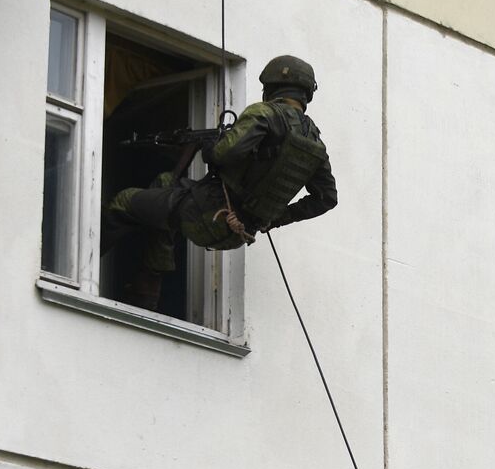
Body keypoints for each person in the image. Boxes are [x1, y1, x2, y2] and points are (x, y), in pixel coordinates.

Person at [101, 55, 338, 310]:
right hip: (236, 232)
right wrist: (274, 218)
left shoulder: (265, 113)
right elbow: (326, 198)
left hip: (208, 213)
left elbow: (224, 154)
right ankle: (146, 290)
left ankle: (86, 265)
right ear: (306, 94)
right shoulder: (316, 144)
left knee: (124, 201)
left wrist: (211, 146)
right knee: (166, 184)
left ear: (272, 86)